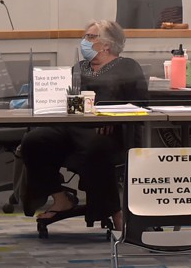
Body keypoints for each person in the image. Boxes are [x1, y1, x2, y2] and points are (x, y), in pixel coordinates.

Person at [20, 19, 148, 231]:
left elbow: (141, 104)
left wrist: (109, 116)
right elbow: (65, 98)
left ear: (107, 44)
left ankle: (115, 211)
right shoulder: (79, 67)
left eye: (90, 37)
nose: (84, 41)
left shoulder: (127, 66)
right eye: (85, 36)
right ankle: (60, 198)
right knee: (34, 140)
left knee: (95, 146)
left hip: (110, 132)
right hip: (72, 127)